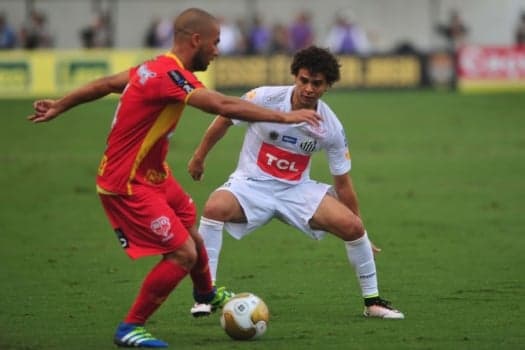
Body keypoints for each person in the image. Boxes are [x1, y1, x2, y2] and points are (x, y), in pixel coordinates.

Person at [27, 8, 321, 348]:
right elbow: (220, 104)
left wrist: (61, 104)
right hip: (127, 183)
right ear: (196, 40)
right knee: (183, 253)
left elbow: (107, 84)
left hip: (154, 176)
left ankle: (206, 292)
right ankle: (130, 328)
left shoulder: (152, 67)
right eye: (215, 42)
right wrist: (282, 117)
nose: (217, 50)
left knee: (191, 232)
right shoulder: (170, 75)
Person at [188, 46, 404, 320]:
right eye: (304, 80)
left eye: (317, 83)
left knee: (352, 226)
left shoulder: (331, 127)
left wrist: (361, 229)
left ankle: (373, 303)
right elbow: (224, 119)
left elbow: (344, 182)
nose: (309, 89)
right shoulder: (264, 97)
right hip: (251, 184)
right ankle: (205, 295)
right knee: (214, 207)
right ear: (295, 77)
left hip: (296, 190)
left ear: (327, 86)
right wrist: (199, 157)